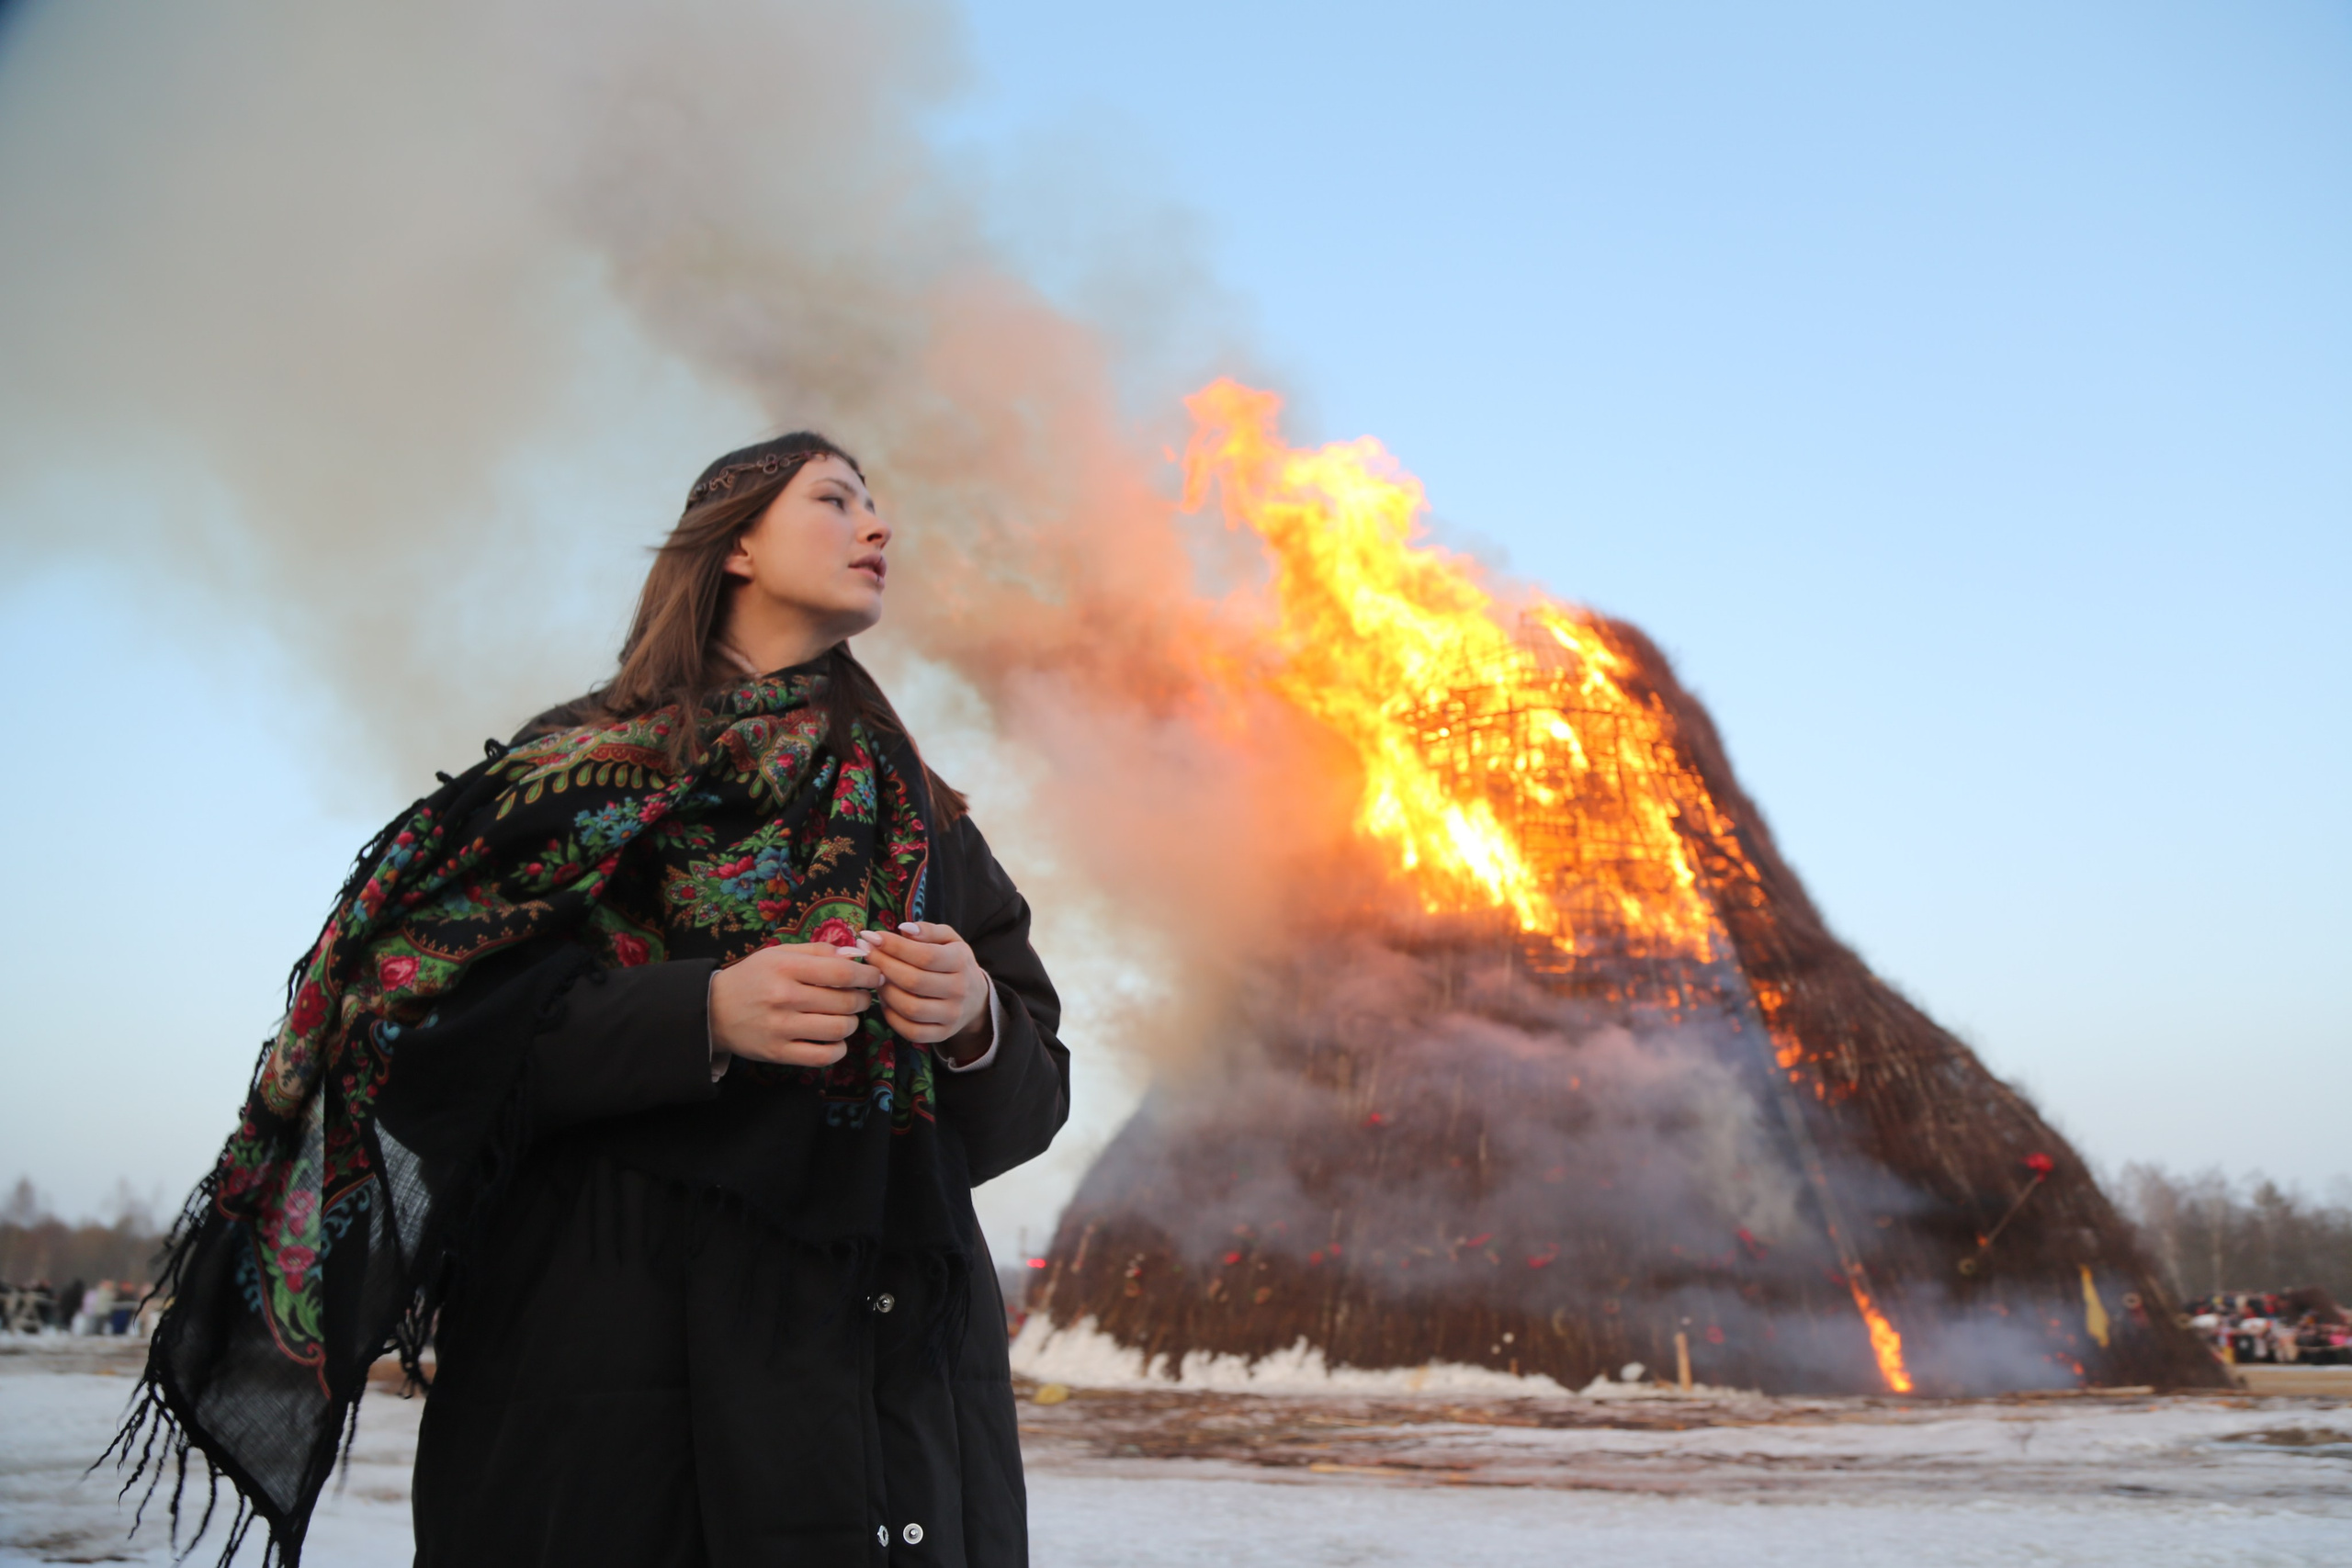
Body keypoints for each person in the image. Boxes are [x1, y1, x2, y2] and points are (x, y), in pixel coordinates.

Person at [121, 435, 1069, 1568]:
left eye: (877, 507)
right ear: (736, 549)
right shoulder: (570, 776)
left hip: (884, 1389)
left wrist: (974, 1023)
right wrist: (700, 1017)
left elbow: (1032, 1097)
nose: (879, 528)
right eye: (835, 500)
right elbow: (421, 1030)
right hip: (609, 1367)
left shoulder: (916, 810)